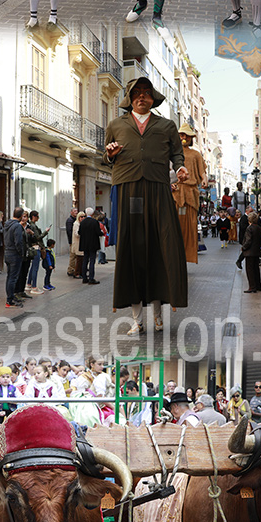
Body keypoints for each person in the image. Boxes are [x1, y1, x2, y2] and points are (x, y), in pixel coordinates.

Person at [104, 77, 188, 335]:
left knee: (161, 247)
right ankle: (137, 320)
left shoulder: (166, 125)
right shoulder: (116, 124)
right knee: (132, 250)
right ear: (130, 98)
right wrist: (110, 153)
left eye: (147, 93)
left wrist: (180, 166)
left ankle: (159, 315)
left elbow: (177, 154)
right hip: (129, 189)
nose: (142, 97)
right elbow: (105, 157)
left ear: (153, 98)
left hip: (158, 187)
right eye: (137, 93)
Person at [172, 125, 208, 263]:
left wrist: (204, 180)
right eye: (181, 135)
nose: (184, 138)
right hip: (176, 193)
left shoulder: (196, 154)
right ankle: (174, 256)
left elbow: (202, 172)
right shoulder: (172, 154)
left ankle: (187, 256)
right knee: (175, 225)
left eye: (186, 135)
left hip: (191, 193)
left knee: (190, 227)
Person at [3, 207, 26, 308]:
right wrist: (22, 253)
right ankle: (10, 300)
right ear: (21, 216)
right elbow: (18, 242)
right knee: (13, 278)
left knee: (9, 277)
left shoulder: (7, 224)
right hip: (14, 254)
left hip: (7, 252)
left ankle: (10, 297)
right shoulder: (17, 226)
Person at [25, 209, 51, 293]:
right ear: (33, 217)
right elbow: (38, 237)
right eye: (37, 216)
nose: (38, 218)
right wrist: (45, 232)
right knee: (35, 267)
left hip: (33, 248)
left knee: (33, 267)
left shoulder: (30, 225)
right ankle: (34, 287)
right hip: (36, 248)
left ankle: (29, 284)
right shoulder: (32, 226)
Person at [240, 211, 261, 293]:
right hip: (256, 251)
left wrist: (243, 247)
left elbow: (248, 240)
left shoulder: (249, 228)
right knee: (256, 268)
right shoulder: (259, 228)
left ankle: (252, 286)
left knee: (249, 269)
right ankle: (258, 285)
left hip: (249, 252)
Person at [79, 207, 101, 285]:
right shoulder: (95, 222)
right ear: (92, 214)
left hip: (85, 244)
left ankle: (84, 278)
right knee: (92, 260)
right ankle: (91, 278)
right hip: (93, 244)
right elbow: (98, 232)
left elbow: (79, 232)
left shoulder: (82, 222)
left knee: (85, 260)